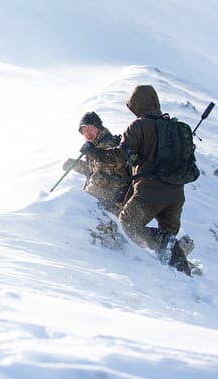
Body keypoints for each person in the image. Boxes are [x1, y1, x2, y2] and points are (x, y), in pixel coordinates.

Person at [80, 85, 195, 275]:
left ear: (137, 104)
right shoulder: (174, 126)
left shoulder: (140, 125)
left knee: (128, 224)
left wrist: (93, 152)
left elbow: (119, 156)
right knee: (169, 240)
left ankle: (165, 249)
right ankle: (185, 277)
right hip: (176, 194)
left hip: (149, 191)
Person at [62, 111, 131, 216]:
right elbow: (94, 169)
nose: (87, 133)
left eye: (90, 129)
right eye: (84, 131)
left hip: (109, 201)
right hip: (106, 200)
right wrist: (74, 165)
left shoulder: (107, 144)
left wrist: (86, 199)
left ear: (98, 127)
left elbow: (101, 176)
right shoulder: (95, 146)